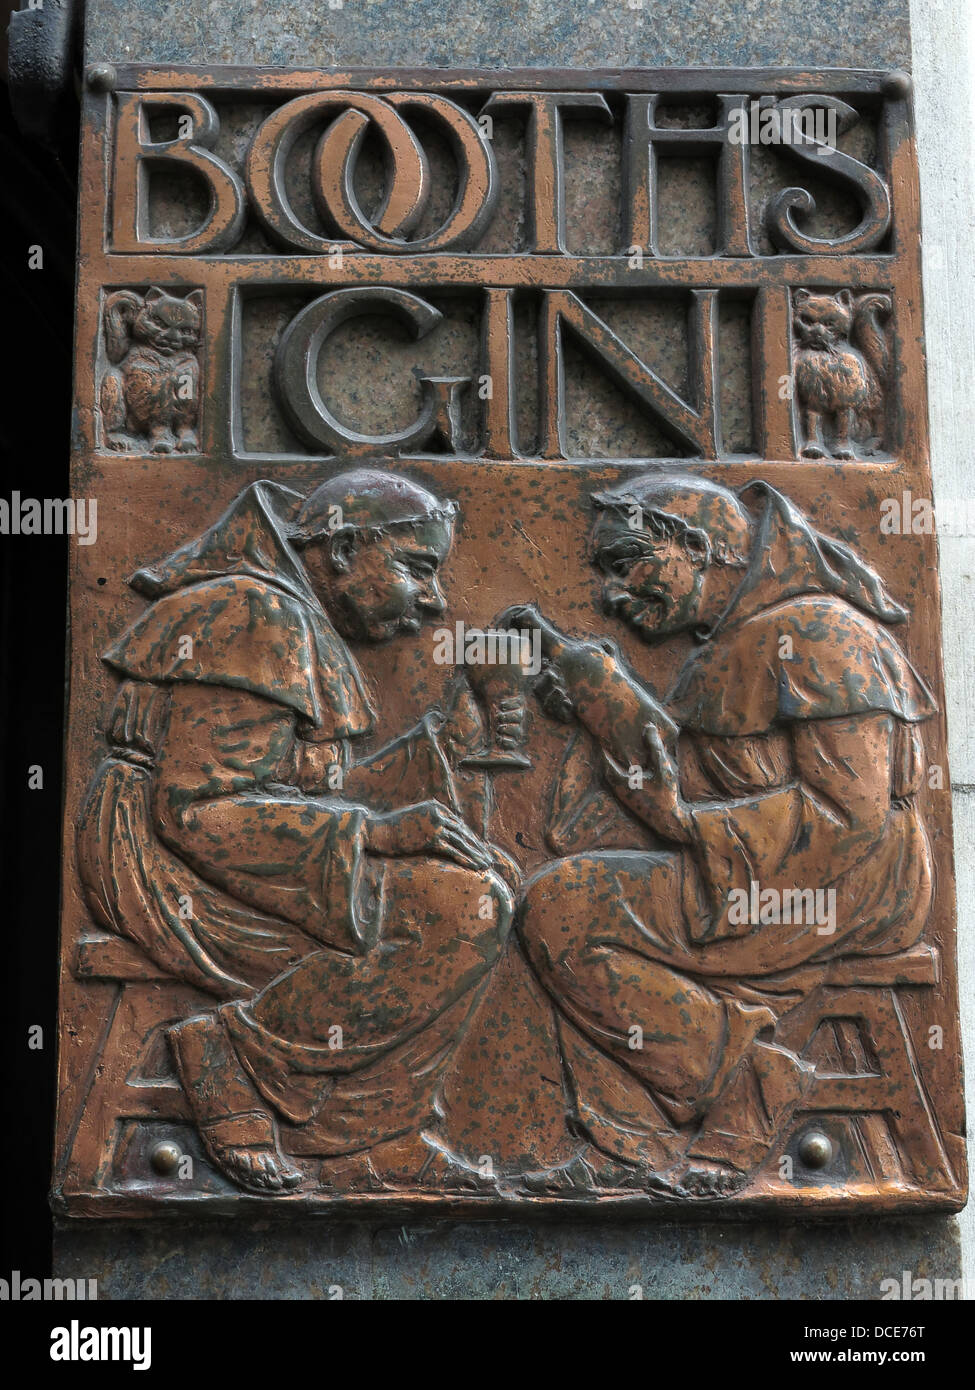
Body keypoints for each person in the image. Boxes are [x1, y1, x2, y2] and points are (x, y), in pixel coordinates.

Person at [78, 470, 516, 1193]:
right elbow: (195, 813)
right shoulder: (255, 617)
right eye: (416, 567)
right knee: (462, 912)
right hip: (165, 867)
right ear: (342, 549)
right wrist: (374, 837)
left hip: (232, 854)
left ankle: (370, 1139)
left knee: (477, 891)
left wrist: (449, 738)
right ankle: (233, 1059)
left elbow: (300, 791)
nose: (435, 599)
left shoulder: (287, 616)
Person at [507, 474, 937, 1194]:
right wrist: (598, 692)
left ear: (694, 547)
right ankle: (642, 1138)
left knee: (565, 908)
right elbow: (692, 773)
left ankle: (738, 1086)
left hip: (842, 884)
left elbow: (850, 815)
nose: (611, 594)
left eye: (624, 563)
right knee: (566, 895)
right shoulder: (736, 640)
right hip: (763, 868)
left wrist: (686, 825)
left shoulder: (821, 634)